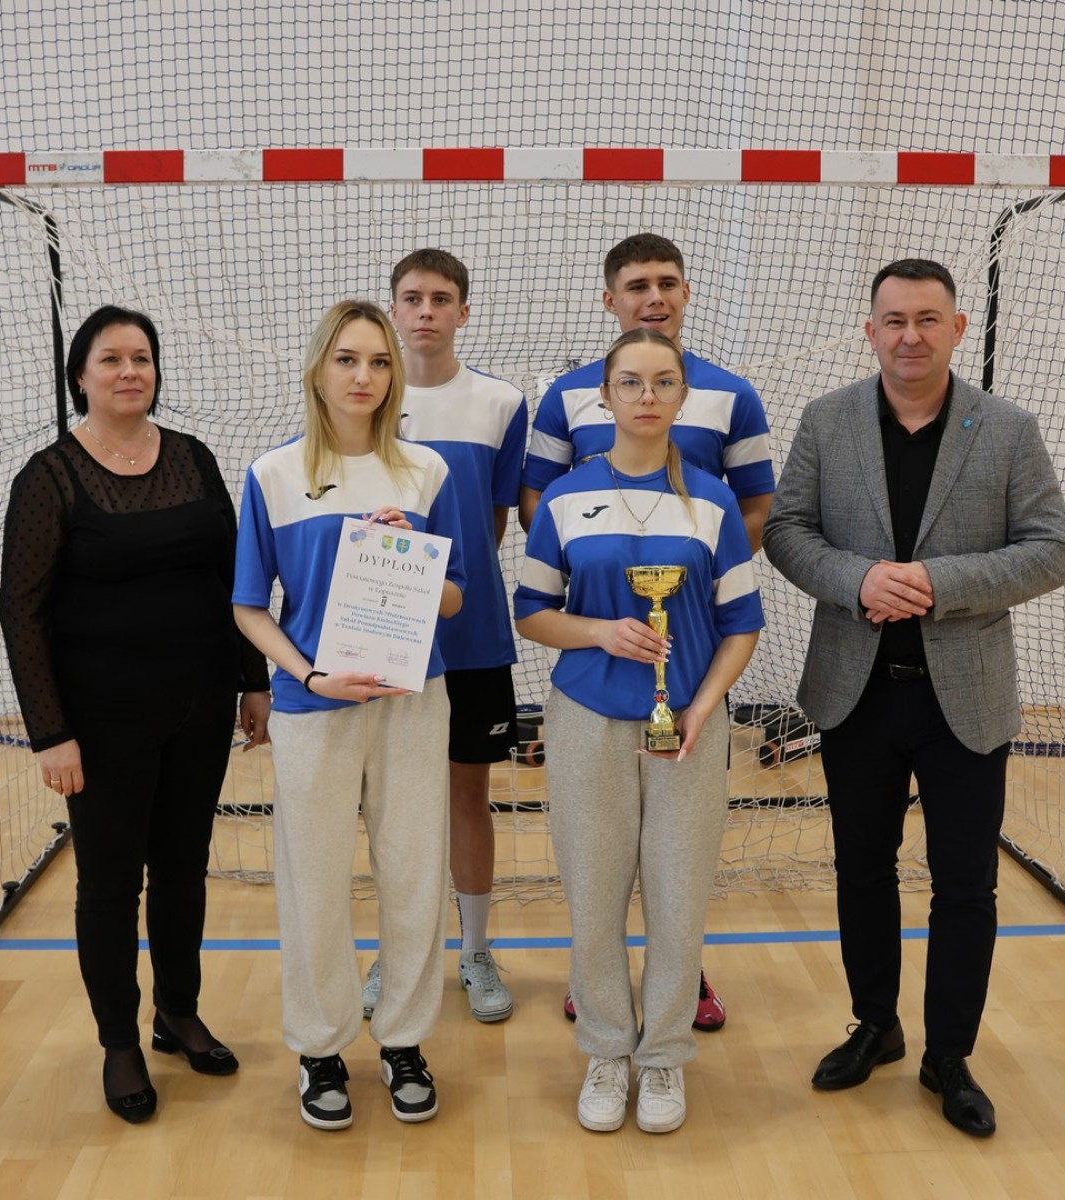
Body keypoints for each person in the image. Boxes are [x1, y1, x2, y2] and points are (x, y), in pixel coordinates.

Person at [764, 258, 1065, 1137]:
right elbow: (787, 531)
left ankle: (951, 1055)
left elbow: (1051, 550)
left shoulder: (1007, 430)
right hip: (855, 693)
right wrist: (858, 577)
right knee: (861, 871)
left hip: (963, 701)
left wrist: (938, 584)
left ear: (957, 328)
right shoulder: (827, 421)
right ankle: (876, 1024)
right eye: (895, 320)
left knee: (965, 885)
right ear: (871, 330)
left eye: (927, 319)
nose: (910, 335)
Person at [0, 304, 272, 1125]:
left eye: (142, 358)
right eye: (112, 359)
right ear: (80, 375)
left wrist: (252, 681)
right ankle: (119, 1041)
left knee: (183, 867)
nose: (129, 372)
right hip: (101, 720)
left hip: (200, 704)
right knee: (110, 883)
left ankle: (177, 1013)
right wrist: (51, 734)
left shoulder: (192, 457)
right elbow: (21, 612)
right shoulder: (49, 477)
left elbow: (234, 577)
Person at [519, 232, 775, 1031]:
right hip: (593, 688)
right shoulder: (566, 419)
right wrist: (599, 591)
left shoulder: (728, 411)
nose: (654, 296)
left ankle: (671, 1015)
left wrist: (692, 569)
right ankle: (600, 1008)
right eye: (637, 284)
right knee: (594, 876)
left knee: (678, 876)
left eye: (668, 282)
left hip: (687, 670)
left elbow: (753, 513)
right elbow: (536, 516)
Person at [232, 300, 466, 1131]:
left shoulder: (427, 473)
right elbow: (248, 606)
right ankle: (321, 1048)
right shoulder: (271, 474)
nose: (363, 376)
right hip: (313, 706)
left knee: (414, 876)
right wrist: (308, 673)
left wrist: (412, 552)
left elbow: (454, 597)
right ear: (318, 370)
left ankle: (404, 1040)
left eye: (377, 361)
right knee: (315, 883)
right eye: (346, 359)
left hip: (412, 701)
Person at [351, 250, 528, 1024]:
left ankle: (476, 951)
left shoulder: (501, 402)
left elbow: (493, 521)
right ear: (394, 309)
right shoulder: (362, 400)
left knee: (467, 795)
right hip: (386, 637)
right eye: (413, 298)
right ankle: (398, 950)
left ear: (464, 311)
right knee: (394, 804)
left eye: (442, 298)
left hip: (473, 634)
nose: (426, 311)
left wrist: (450, 587)